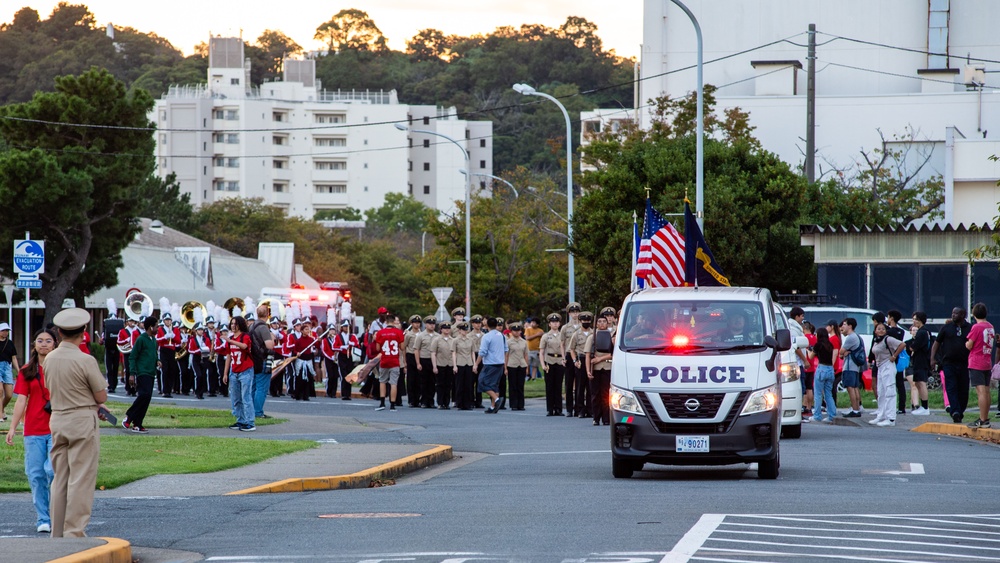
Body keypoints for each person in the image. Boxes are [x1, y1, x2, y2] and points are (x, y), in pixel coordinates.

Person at [44, 308, 110, 537]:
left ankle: (58, 532)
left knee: (60, 477)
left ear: (59, 333)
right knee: (81, 478)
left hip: (58, 418)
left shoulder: (49, 358)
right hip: (81, 418)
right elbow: (101, 396)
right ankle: (74, 531)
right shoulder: (85, 359)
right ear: (83, 332)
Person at [5, 328, 57, 533]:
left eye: (48, 341)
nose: (44, 344)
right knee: (36, 475)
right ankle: (43, 518)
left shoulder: (61, 368)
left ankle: (58, 513)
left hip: (57, 428)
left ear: (55, 344)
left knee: (52, 471)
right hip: (33, 430)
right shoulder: (27, 370)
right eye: (40, 341)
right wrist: (12, 427)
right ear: (34, 345)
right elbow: (21, 401)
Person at [932, 307, 972, 423]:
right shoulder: (946, 328)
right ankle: (955, 411)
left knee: (963, 388)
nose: (953, 315)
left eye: (956, 313)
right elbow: (937, 343)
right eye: (952, 313)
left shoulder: (969, 328)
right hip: (949, 363)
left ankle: (960, 410)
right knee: (951, 387)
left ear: (963, 315)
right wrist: (932, 358)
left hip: (964, 363)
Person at [123, 316, 159, 434]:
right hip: (142, 372)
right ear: (151, 327)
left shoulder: (153, 340)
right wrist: (132, 374)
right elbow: (133, 357)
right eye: (157, 326)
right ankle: (129, 416)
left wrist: (157, 361)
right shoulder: (141, 339)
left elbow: (153, 354)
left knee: (147, 398)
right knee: (144, 395)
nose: (158, 328)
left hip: (151, 372)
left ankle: (137, 424)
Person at [868, 322, 905, 426]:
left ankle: (891, 418)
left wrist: (894, 356)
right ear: (875, 331)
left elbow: (902, 344)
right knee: (881, 392)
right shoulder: (876, 341)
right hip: (880, 367)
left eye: (883, 329)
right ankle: (881, 415)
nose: (881, 331)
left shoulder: (888, 339)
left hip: (888, 365)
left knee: (890, 391)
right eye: (878, 329)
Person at [223, 315, 255, 432]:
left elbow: (245, 346)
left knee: (246, 397)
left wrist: (231, 340)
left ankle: (250, 422)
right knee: (235, 398)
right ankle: (240, 419)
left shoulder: (245, 337)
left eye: (235, 323)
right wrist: (225, 373)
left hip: (245, 370)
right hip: (234, 370)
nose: (233, 326)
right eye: (231, 323)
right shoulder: (230, 339)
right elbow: (228, 356)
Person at [965, 302, 994, 429]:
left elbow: (970, 344)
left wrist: (966, 344)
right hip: (987, 360)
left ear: (974, 314)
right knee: (987, 391)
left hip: (976, 361)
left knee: (980, 391)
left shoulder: (976, 327)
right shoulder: (990, 326)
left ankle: (982, 419)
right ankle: (986, 418)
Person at [585, 315, 614, 426]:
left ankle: (606, 418)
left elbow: (613, 354)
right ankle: (596, 417)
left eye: (604, 321)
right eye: (599, 322)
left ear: (607, 323)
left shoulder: (611, 337)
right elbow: (588, 355)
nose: (602, 323)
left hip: (607, 367)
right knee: (595, 394)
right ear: (596, 324)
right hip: (595, 369)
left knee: (606, 394)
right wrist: (588, 370)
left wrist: (600, 359)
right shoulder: (592, 337)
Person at [475, 317, 507, 413]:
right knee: (494, 385)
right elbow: (506, 350)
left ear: (487, 325)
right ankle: (493, 407)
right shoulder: (502, 336)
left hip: (490, 364)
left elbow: (482, 352)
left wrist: (476, 364)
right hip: (500, 363)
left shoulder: (487, 336)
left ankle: (496, 399)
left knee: (482, 383)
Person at [374, 314, 405, 411]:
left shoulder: (380, 333)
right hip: (395, 361)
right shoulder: (399, 332)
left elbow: (378, 348)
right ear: (393, 321)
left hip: (384, 360)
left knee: (382, 381)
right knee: (393, 383)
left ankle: (382, 403)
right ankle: (392, 405)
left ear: (386, 322)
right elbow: (402, 347)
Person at [250, 305, 276, 419]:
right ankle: (258, 412)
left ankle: (250, 410)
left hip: (253, 359)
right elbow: (269, 345)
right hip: (263, 359)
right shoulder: (263, 327)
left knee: (254, 387)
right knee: (262, 388)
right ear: (267, 315)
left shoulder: (251, 326)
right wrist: (272, 337)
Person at [569, 312, 595, 418]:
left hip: (591, 360)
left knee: (590, 386)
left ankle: (590, 409)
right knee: (580, 386)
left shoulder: (594, 333)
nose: (586, 323)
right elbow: (571, 349)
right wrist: (575, 360)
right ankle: (580, 409)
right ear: (580, 321)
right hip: (581, 359)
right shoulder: (576, 334)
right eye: (584, 321)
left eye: (588, 321)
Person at [906, 312, 932, 415]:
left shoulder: (921, 332)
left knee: (921, 383)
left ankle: (925, 407)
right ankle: (923, 406)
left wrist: (911, 347)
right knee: (917, 383)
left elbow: (914, 346)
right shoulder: (926, 331)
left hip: (921, 360)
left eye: (915, 319)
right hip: (921, 360)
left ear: (920, 320)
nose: (914, 321)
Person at [809, 326, 837, 423]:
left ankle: (817, 416)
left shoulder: (818, 345)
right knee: (828, 394)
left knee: (818, 394)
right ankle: (832, 415)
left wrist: (809, 349)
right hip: (830, 369)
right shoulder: (830, 345)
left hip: (821, 369)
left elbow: (811, 356)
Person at [540, 313, 566, 416]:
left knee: (558, 386)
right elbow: (541, 352)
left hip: (559, 361)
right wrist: (543, 365)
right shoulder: (546, 336)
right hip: (549, 361)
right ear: (549, 324)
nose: (555, 324)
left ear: (559, 324)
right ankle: (550, 409)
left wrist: (564, 360)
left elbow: (565, 349)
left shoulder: (562, 336)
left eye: (557, 322)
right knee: (549, 386)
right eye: (553, 322)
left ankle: (558, 409)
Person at [837, 318, 863, 417]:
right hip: (855, 366)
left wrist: (843, 353)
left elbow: (841, 351)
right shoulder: (857, 336)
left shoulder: (850, 337)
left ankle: (855, 410)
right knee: (855, 387)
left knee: (850, 388)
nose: (842, 326)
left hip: (849, 366)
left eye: (844, 324)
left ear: (850, 326)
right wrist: (843, 353)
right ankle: (856, 408)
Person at [560, 303, 581, 417]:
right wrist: (563, 357)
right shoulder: (565, 328)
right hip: (569, 355)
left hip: (579, 354)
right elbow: (562, 344)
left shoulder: (582, 326)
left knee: (579, 383)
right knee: (568, 383)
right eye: (573, 312)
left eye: (577, 312)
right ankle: (569, 409)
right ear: (569, 313)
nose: (575, 314)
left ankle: (578, 408)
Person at [885, 310, 907, 414]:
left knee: (891, 383)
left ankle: (891, 406)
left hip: (891, 358)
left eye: (888, 317)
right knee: (900, 384)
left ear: (892, 318)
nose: (887, 320)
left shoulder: (889, 332)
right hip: (899, 358)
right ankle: (902, 407)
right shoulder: (901, 331)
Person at [155, 313, 181, 398]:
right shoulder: (160, 329)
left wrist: (173, 336)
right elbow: (157, 340)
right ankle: (164, 390)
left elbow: (178, 341)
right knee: (165, 370)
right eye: (166, 320)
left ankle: (169, 390)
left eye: (169, 320)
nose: (168, 322)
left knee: (171, 370)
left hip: (172, 351)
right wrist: (165, 337)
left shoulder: (175, 329)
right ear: (164, 321)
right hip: (163, 350)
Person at [100, 303, 124, 394]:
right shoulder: (105, 329)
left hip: (116, 349)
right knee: (109, 368)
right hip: (109, 350)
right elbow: (102, 339)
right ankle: (110, 385)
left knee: (115, 367)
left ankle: (114, 384)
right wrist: (102, 340)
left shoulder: (119, 329)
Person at [452, 321, 477, 410]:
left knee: (468, 384)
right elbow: (454, 353)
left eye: (466, 330)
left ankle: (467, 403)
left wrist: (474, 364)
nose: (465, 331)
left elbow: (472, 352)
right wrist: (454, 365)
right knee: (459, 384)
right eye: (463, 330)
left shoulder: (470, 340)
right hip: (460, 362)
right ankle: (459, 403)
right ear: (459, 330)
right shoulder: (455, 340)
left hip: (469, 363)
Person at [431, 321, 455, 409]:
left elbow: (454, 353)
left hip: (450, 364)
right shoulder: (437, 339)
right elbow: (433, 353)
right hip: (440, 364)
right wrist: (434, 366)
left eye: (448, 328)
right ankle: (440, 402)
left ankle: (447, 402)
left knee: (448, 384)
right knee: (440, 384)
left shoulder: (453, 340)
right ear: (441, 329)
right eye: (445, 328)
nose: (447, 330)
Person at [414, 316, 438, 408]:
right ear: (426, 325)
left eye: (433, 324)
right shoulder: (421, 336)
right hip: (424, 359)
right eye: (430, 324)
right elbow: (416, 349)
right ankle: (423, 400)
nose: (432, 326)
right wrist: (418, 363)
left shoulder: (437, 336)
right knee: (424, 382)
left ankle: (431, 400)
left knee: (432, 382)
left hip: (434, 361)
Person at [505, 323, 529, 411]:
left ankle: (521, 404)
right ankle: (513, 404)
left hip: (521, 364)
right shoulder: (508, 342)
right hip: (512, 364)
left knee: (520, 385)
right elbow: (506, 355)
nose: (516, 332)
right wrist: (505, 368)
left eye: (518, 331)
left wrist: (527, 367)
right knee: (513, 385)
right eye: (514, 331)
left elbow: (526, 355)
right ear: (511, 332)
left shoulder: (524, 342)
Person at [333, 320, 359, 400]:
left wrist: (352, 344)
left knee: (350, 374)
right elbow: (333, 347)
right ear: (341, 327)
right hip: (342, 356)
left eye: (347, 326)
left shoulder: (352, 336)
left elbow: (357, 345)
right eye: (344, 326)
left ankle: (348, 394)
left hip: (350, 357)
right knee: (343, 375)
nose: (346, 328)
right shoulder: (338, 336)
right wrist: (341, 347)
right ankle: (344, 393)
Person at [0, 322, 20, 421]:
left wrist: (18, 371)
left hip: (7, 367)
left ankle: (1, 408)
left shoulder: (10, 343)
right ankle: (0, 415)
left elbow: (14, 358)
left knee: (9, 394)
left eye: (7, 331)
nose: (5, 332)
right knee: (0, 391)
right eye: (3, 330)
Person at [116, 317, 140, 397]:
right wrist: (127, 340)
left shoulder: (138, 331)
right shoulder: (122, 331)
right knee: (128, 370)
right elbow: (118, 341)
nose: (132, 322)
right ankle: (128, 388)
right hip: (127, 352)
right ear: (127, 322)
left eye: (133, 320)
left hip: (136, 352)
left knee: (137, 370)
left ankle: (136, 389)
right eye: (130, 321)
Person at [403, 315, 422, 407]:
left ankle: (418, 399)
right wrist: (405, 361)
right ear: (411, 324)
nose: (417, 325)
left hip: (419, 356)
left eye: (418, 323)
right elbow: (404, 348)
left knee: (419, 379)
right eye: (415, 323)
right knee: (411, 379)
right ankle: (411, 400)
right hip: (410, 356)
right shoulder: (408, 334)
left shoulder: (422, 334)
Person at [800, 321, 818, 420]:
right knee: (810, 388)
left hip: (805, 364)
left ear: (804, 328)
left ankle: (804, 406)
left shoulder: (803, 338)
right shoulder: (814, 338)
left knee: (804, 388)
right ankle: (809, 407)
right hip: (812, 365)